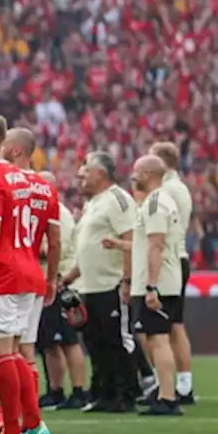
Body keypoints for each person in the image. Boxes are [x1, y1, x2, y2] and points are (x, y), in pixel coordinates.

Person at [62, 152, 137, 413]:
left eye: (86, 169)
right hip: (89, 286)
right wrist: (69, 277)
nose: (81, 175)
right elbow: (88, 248)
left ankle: (126, 394)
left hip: (111, 283)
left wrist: (127, 281)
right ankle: (104, 393)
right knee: (96, 343)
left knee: (116, 341)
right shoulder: (94, 203)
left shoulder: (118, 199)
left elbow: (131, 239)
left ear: (101, 174)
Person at [0, 129, 59, 434]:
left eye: (5, 143)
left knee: (4, 351)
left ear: (16, 149)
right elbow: (55, 239)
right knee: (26, 351)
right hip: (34, 273)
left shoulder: (4, 179)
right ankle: (32, 422)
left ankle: (19, 425)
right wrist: (51, 278)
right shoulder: (45, 186)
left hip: (7, 274)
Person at [117, 156, 185, 417]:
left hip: (159, 283)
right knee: (155, 337)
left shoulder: (156, 203)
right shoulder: (159, 201)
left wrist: (151, 287)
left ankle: (168, 397)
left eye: (136, 171)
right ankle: (164, 393)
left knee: (158, 338)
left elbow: (156, 245)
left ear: (147, 173)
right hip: (158, 281)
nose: (133, 176)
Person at [35, 171, 88, 410]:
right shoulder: (50, 212)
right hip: (46, 283)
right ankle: (55, 389)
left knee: (67, 341)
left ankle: (78, 390)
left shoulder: (58, 214)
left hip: (60, 283)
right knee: (49, 342)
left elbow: (54, 249)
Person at [148, 142, 195, 404]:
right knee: (172, 325)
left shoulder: (168, 190)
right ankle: (181, 383)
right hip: (175, 257)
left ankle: (182, 385)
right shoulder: (179, 188)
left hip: (171, 259)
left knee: (170, 326)